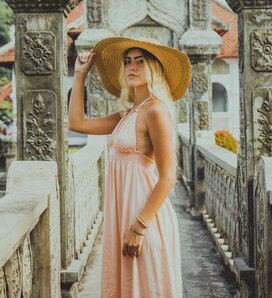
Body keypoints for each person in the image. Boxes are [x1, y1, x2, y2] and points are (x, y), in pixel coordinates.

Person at [68, 36, 191, 297]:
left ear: (154, 68)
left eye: (140, 61)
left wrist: (139, 227)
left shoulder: (156, 110)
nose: (132, 67)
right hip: (122, 214)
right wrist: (80, 76)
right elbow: (77, 123)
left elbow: (168, 177)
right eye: (127, 62)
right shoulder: (126, 115)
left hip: (143, 218)